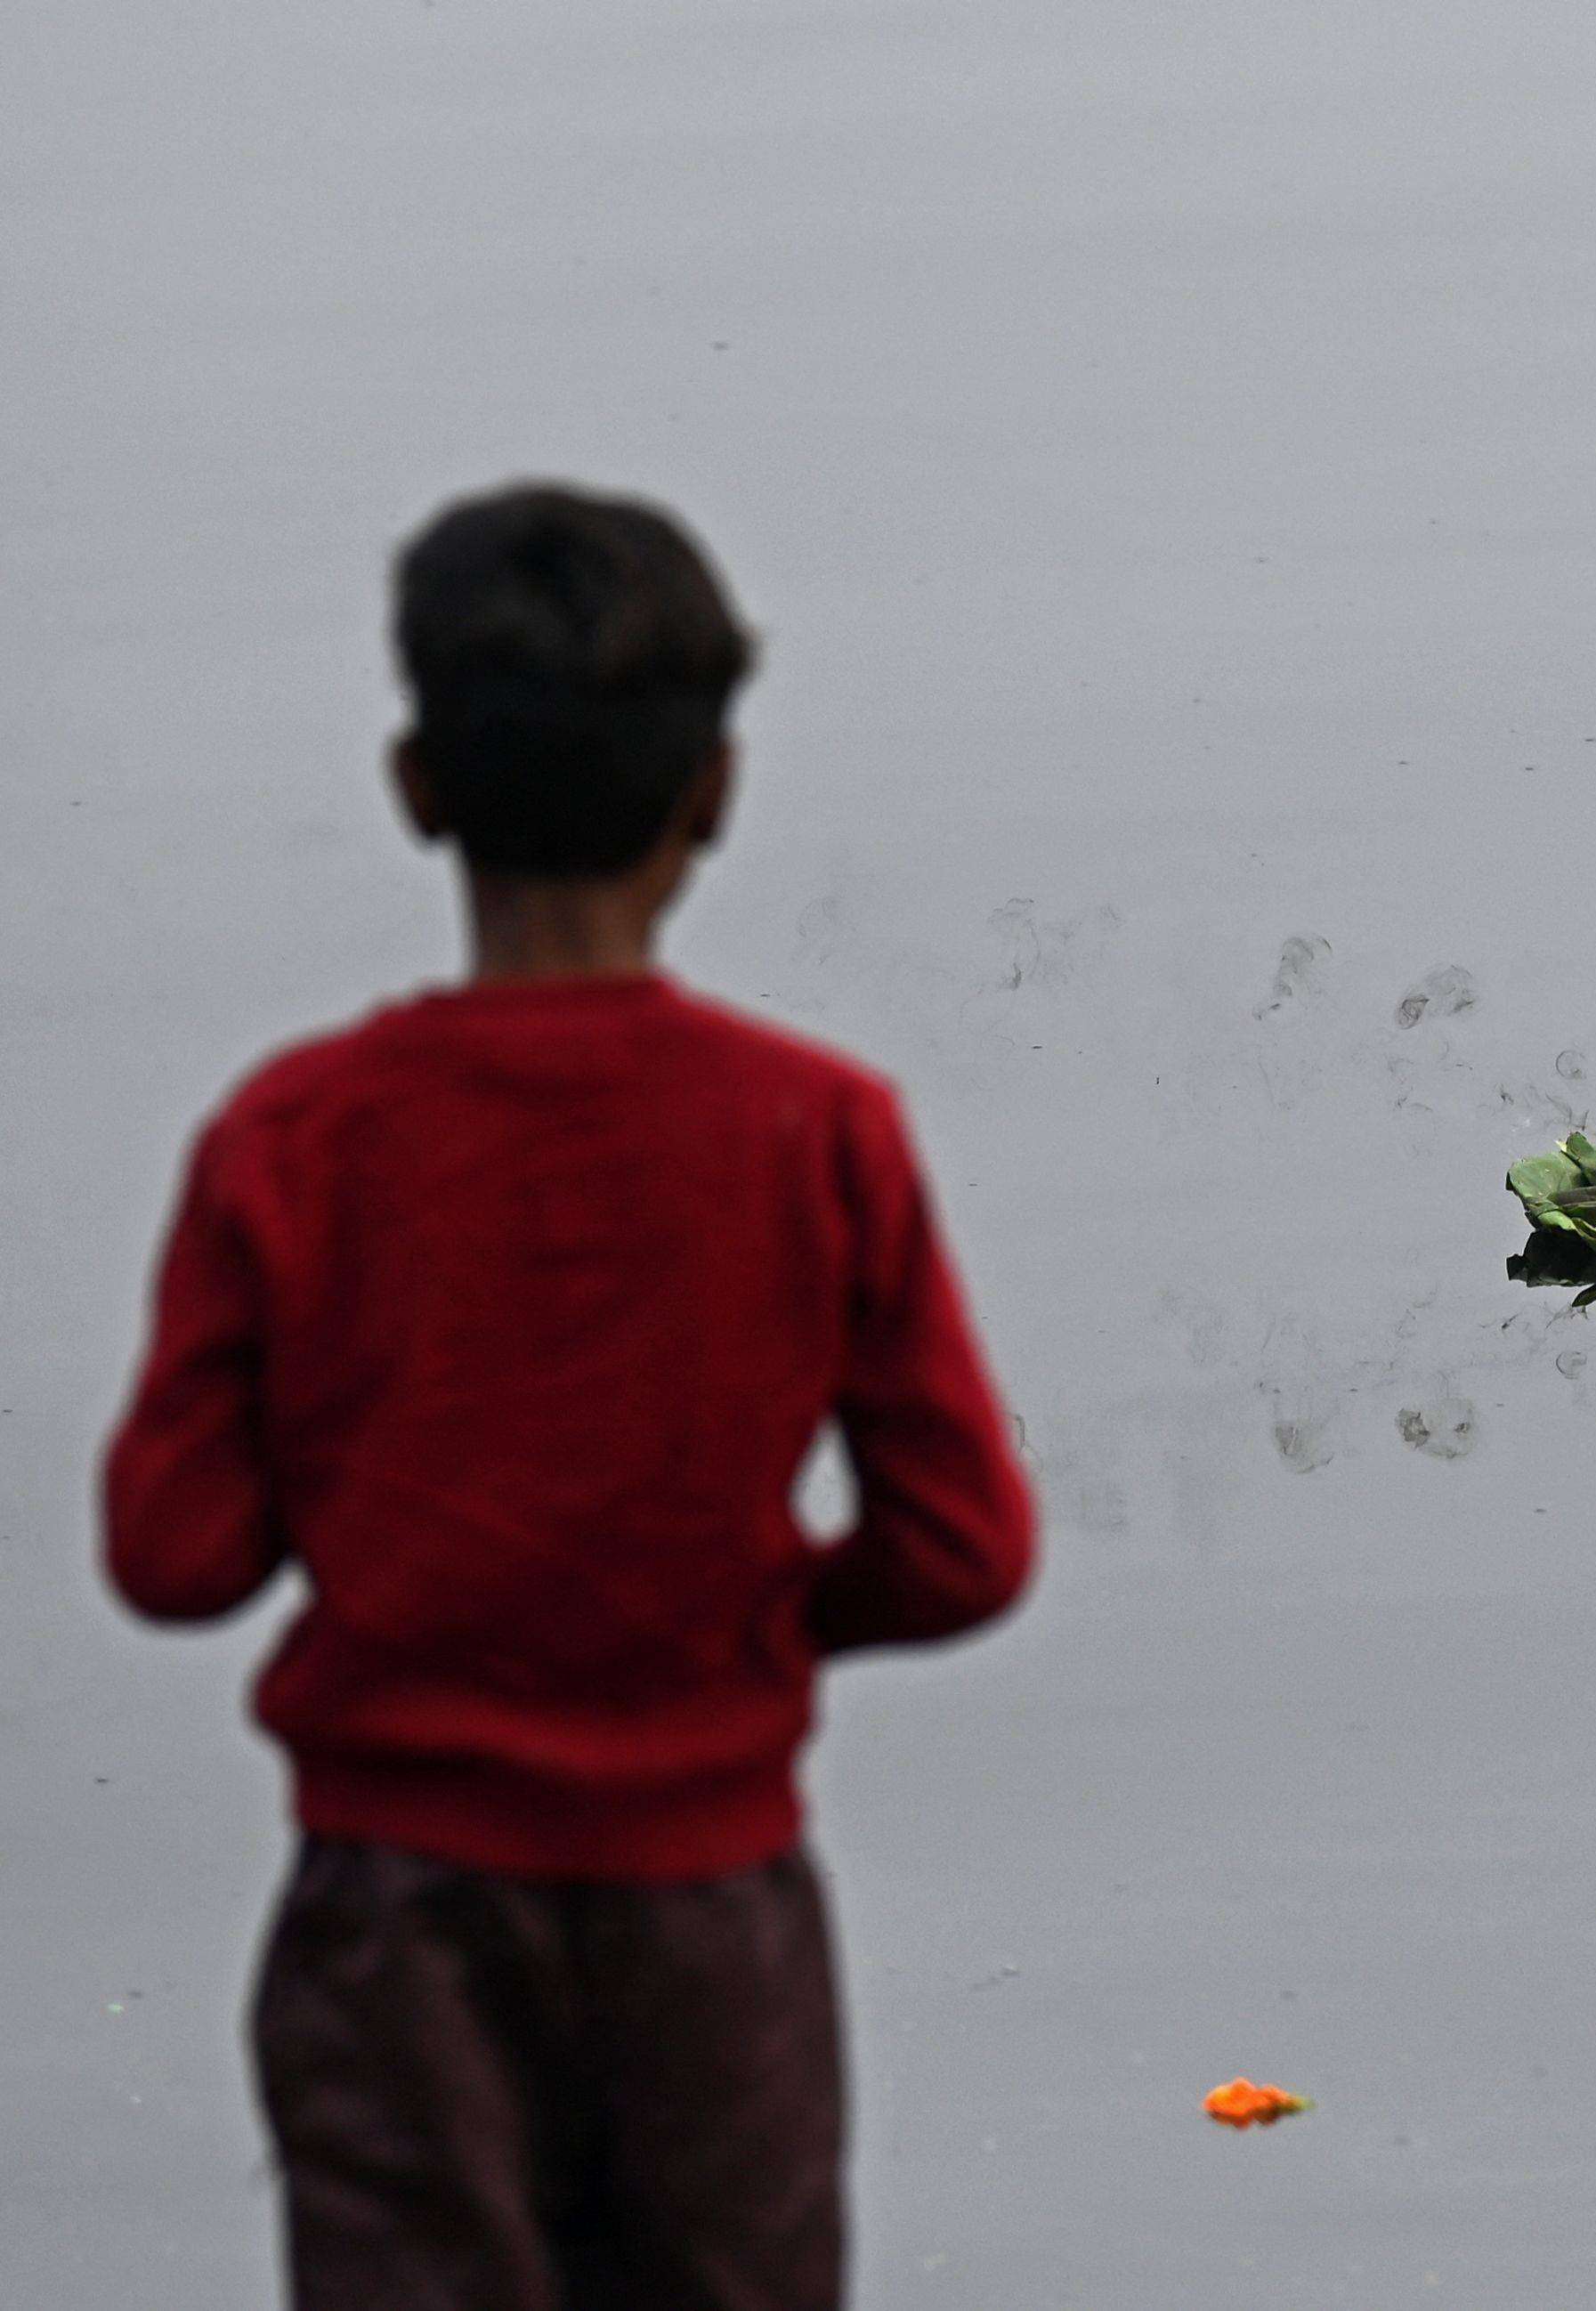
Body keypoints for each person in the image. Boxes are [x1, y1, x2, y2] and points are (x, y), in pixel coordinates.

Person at [100, 482, 1035, 2310]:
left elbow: (175, 1553)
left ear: (415, 787)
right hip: (714, 1913)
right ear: (715, 795)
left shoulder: (289, 1139)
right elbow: (963, 1551)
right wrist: (755, 1611)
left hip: (398, 1920)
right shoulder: (816, 1129)